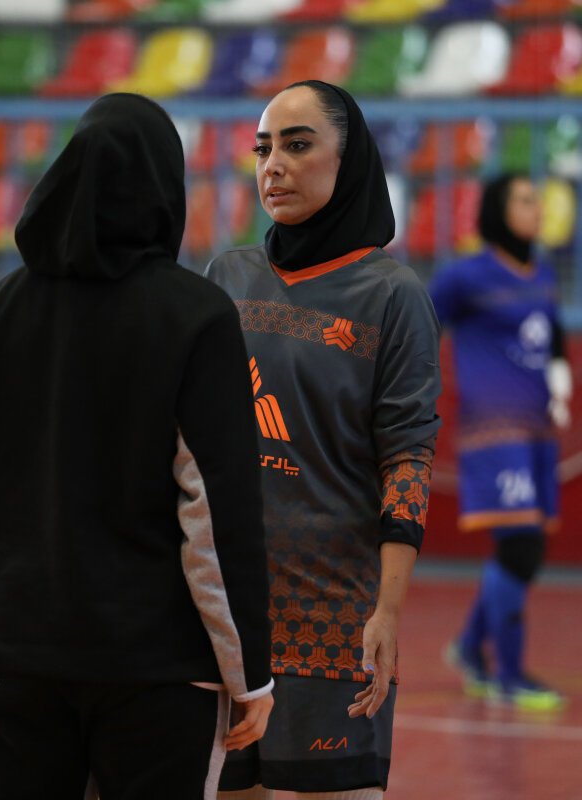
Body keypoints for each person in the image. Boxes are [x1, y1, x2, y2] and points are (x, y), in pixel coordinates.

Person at [0, 93, 274, 800]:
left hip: (18, 656)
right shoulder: (196, 315)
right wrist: (251, 675)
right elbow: (216, 516)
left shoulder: (5, 303)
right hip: (157, 675)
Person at [204, 81, 441, 799]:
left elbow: (407, 458)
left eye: (298, 145)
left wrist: (388, 612)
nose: (274, 165)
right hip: (220, 620)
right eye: (263, 149)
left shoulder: (393, 296)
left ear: (349, 158)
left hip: (335, 623)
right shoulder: (226, 277)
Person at [428, 172, 572, 712]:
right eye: (525, 200)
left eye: (538, 200)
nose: (537, 209)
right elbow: (419, 322)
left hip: (536, 430)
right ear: (497, 210)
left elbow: (554, 336)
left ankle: (470, 648)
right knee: (520, 545)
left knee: (528, 548)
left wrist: (561, 383)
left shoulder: (543, 275)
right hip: (493, 431)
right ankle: (508, 674)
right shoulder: (466, 276)